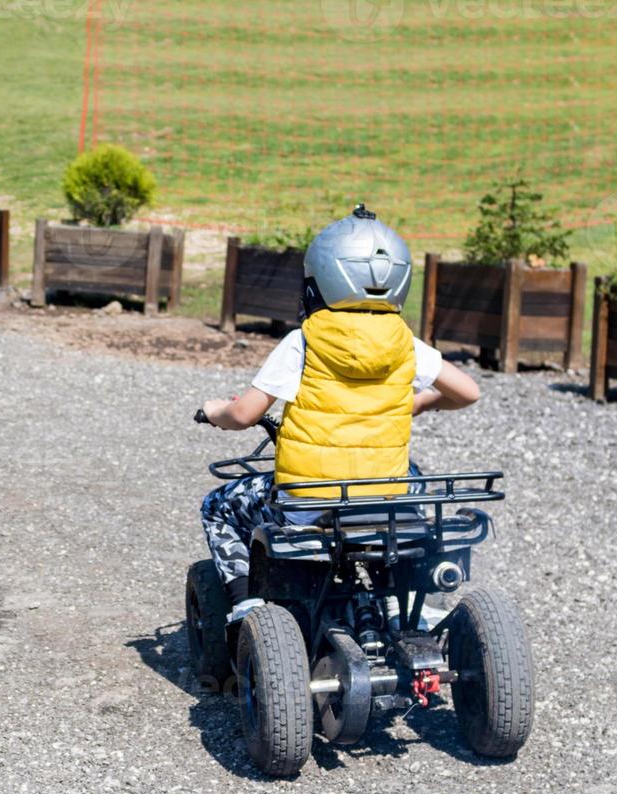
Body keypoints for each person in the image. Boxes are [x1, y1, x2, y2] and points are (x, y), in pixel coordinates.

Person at [198, 205, 482, 623]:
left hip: (310, 502)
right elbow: (468, 392)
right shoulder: (405, 343)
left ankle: (246, 606)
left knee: (219, 506)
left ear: (322, 279)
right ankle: (394, 600)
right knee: (413, 477)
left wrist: (215, 409)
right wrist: (418, 401)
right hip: (381, 499)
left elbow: (244, 415)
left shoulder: (304, 340)